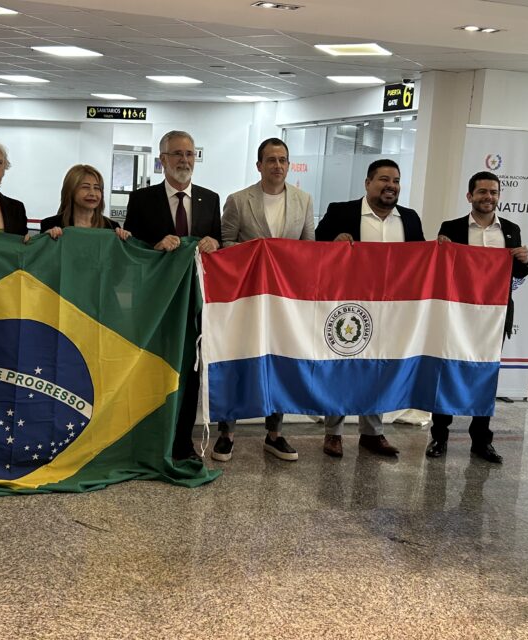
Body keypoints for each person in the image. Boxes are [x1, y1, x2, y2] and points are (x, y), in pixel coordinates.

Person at [210, 137, 313, 463]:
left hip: (285, 303)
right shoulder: (239, 201)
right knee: (238, 359)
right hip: (246, 299)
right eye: (271, 160)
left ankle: (275, 433)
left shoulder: (304, 200)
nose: (278, 166)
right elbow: (226, 246)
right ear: (259, 165)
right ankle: (227, 433)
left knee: (280, 363)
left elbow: (309, 249)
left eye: (283, 160)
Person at [314, 158, 425, 459]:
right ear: (367, 183)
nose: (391, 186)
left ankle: (372, 433)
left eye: (396, 181)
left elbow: (422, 263)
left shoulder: (410, 219)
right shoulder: (341, 211)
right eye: (384, 179)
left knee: (380, 367)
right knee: (342, 366)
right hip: (348, 306)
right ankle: (333, 433)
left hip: (392, 310)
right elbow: (314, 248)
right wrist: (333, 242)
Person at [124, 130, 221, 461]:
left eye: (190, 154)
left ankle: (183, 442)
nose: (184, 160)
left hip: (195, 303)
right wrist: (155, 247)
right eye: (177, 154)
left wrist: (214, 244)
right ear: (162, 160)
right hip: (157, 303)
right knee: (153, 368)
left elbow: (218, 244)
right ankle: (148, 437)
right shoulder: (142, 199)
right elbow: (132, 252)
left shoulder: (210, 199)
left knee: (191, 374)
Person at [425, 171, 528, 464]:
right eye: (483, 192)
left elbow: (516, 273)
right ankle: (440, 436)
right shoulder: (452, 227)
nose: (489, 197)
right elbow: (440, 269)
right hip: (457, 315)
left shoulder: (510, 230)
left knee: (486, 377)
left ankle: (481, 441)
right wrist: (439, 248)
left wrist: (526, 260)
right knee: (446, 372)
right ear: (469, 196)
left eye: (494, 192)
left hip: (494, 318)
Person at [36, 164, 131, 241]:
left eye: (97, 188)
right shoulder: (50, 224)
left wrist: (126, 239)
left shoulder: (112, 227)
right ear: (70, 191)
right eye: (85, 187)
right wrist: (45, 240)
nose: (92, 193)